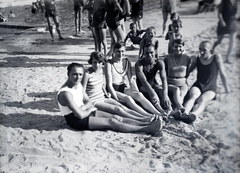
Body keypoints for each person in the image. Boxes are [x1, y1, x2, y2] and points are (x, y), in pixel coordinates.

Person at [57, 62, 162, 134]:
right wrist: (87, 108)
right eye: (74, 74)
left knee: (117, 117)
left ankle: (145, 121)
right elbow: (79, 115)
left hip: (86, 112)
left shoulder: (78, 85)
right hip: (76, 121)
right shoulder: (66, 93)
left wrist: (85, 108)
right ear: (68, 74)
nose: (78, 77)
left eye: (80, 74)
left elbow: (88, 101)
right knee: (112, 122)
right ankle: (147, 128)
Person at [82, 51, 160, 122]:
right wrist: (87, 103)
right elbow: (82, 91)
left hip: (103, 97)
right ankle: (141, 119)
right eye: (94, 62)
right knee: (118, 109)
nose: (97, 65)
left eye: (99, 62)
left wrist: (106, 93)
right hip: (94, 101)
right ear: (91, 62)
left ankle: (148, 115)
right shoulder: (87, 74)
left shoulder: (100, 70)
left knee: (122, 106)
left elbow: (101, 85)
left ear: (102, 62)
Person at [105, 42, 165, 117]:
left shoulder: (127, 62)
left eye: (122, 51)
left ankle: (158, 112)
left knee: (139, 95)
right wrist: (116, 99)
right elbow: (109, 85)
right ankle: (147, 115)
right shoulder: (109, 64)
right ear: (113, 51)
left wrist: (136, 91)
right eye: (118, 51)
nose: (120, 54)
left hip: (122, 87)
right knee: (128, 98)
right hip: (112, 89)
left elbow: (131, 80)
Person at [182, 41, 229, 124]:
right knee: (193, 96)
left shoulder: (216, 57)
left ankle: (193, 114)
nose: (201, 52)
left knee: (202, 99)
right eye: (200, 49)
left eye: (204, 50)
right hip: (198, 85)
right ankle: (185, 113)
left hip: (210, 88)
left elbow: (222, 73)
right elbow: (188, 72)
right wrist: (183, 81)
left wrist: (227, 90)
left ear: (211, 51)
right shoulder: (197, 59)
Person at [135, 44, 173, 119]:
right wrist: (152, 92)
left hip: (153, 83)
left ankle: (169, 108)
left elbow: (164, 79)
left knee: (161, 91)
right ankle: (161, 111)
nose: (149, 55)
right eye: (147, 53)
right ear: (143, 53)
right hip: (142, 85)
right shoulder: (139, 64)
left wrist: (165, 94)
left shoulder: (159, 62)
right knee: (153, 94)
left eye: (151, 52)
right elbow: (143, 81)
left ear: (155, 52)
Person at [164, 39, 191, 116]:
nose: (178, 49)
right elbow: (164, 73)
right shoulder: (167, 58)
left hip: (183, 83)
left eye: (180, 46)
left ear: (183, 47)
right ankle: (180, 108)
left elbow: (188, 72)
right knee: (176, 90)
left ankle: (178, 111)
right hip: (170, 83)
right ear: (172, 47)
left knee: (182, 94)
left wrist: (183, 81)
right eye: (176, 47)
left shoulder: (187, 58)